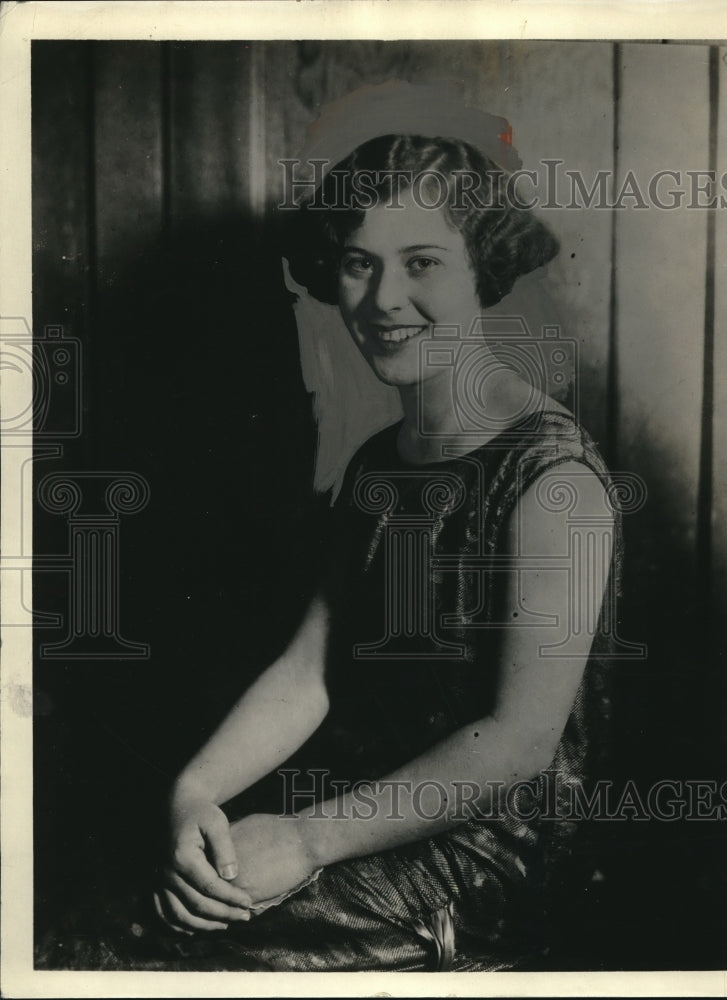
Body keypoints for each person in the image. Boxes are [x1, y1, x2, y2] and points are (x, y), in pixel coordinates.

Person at [146, 132, 620, 972]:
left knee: (167, 953)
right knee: (135, 911)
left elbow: (516, 747)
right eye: (360, 264)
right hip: (361, 814)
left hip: (482, 859)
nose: (383, 299)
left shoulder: (553, 479)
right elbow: (309, 673)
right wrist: (194, 796)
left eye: (423, 263)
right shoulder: (379, 459)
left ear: (486, 270)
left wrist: (301, 838)